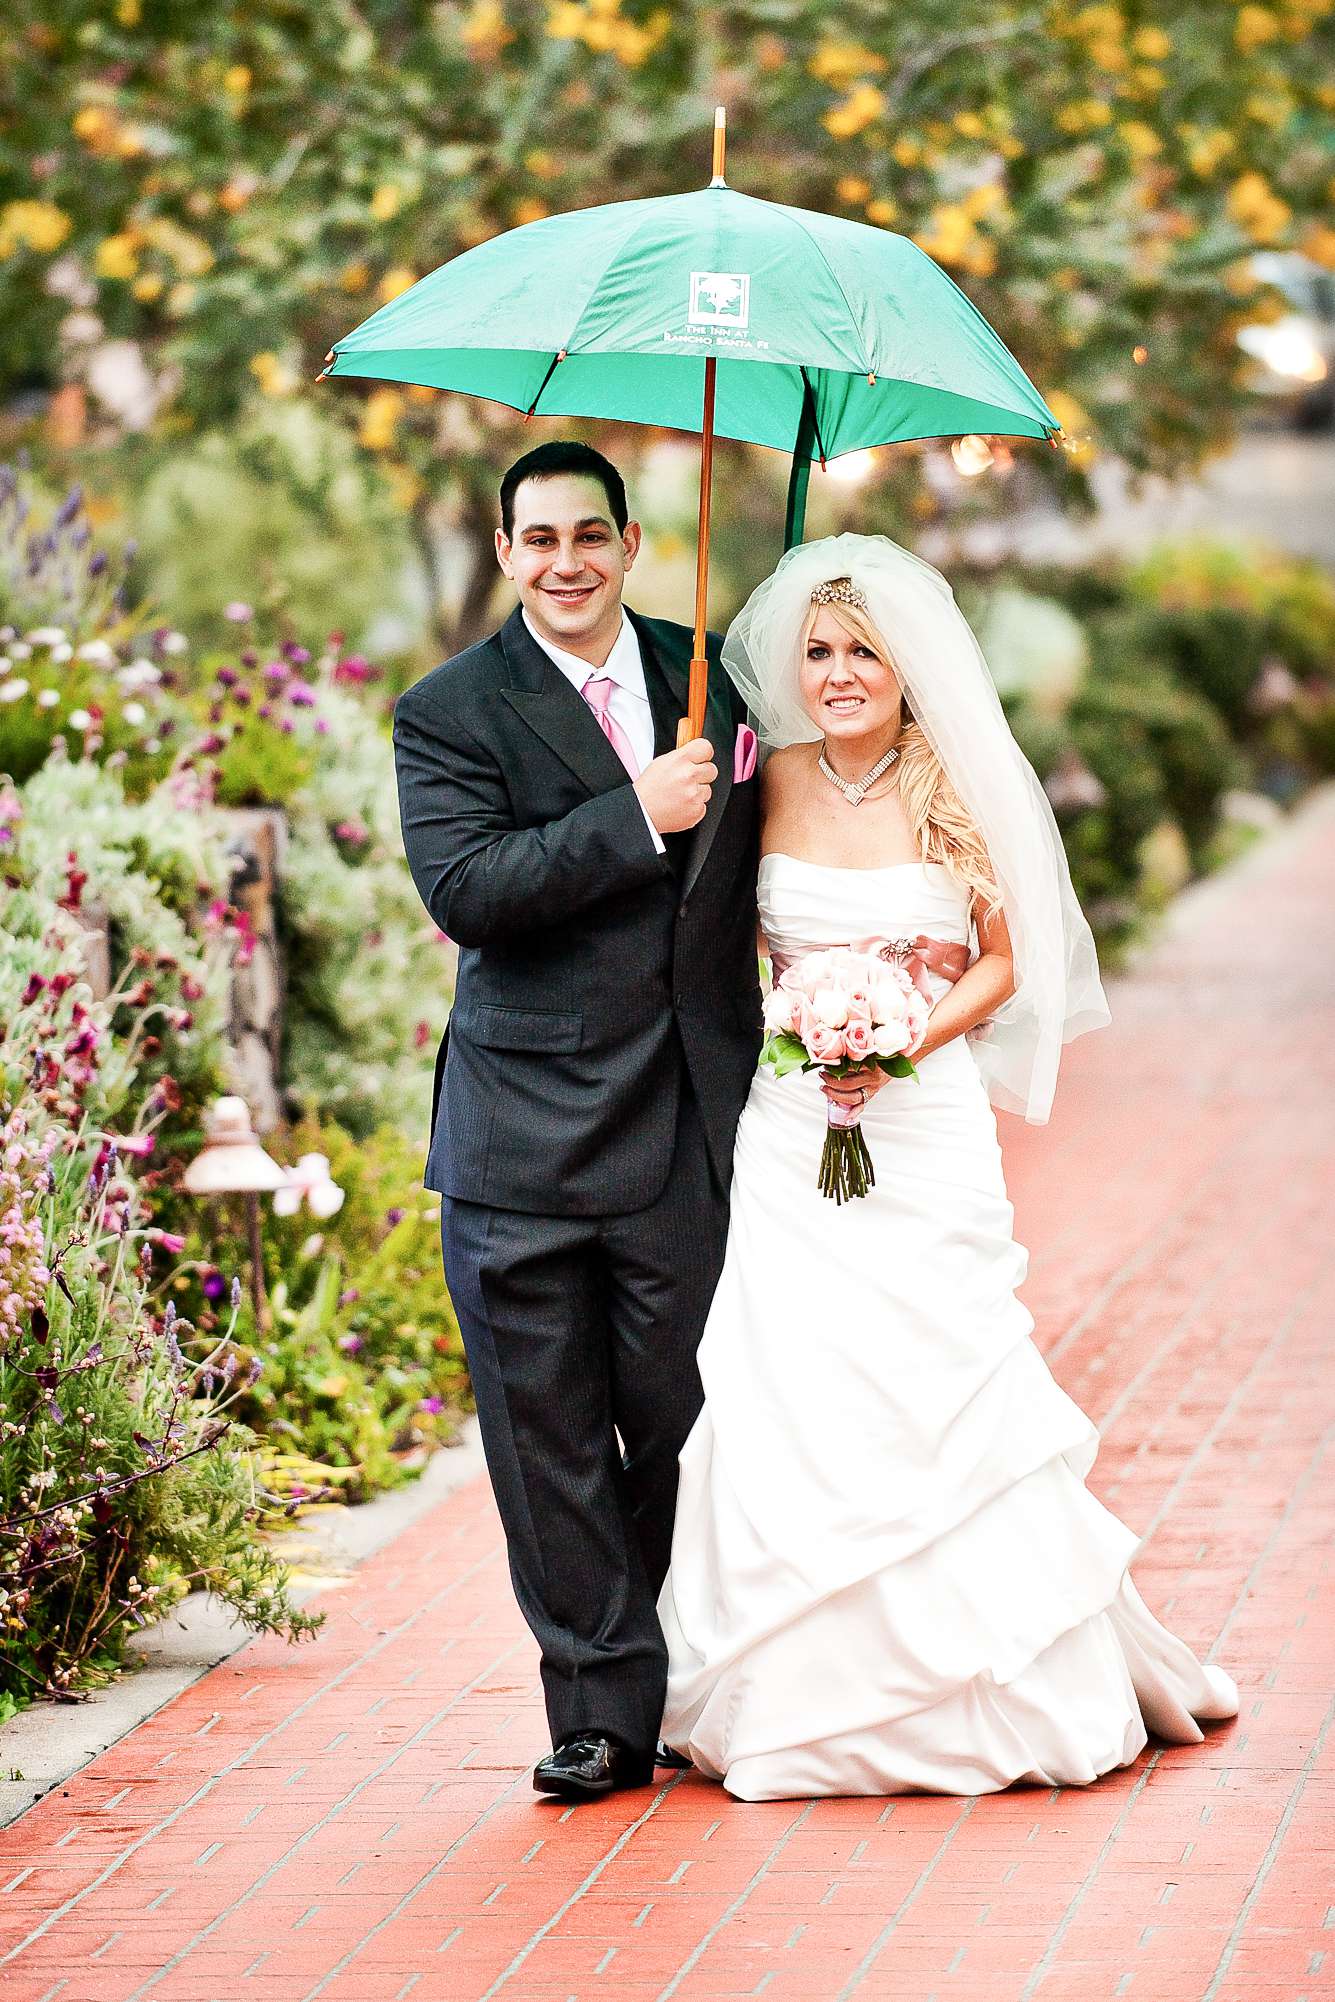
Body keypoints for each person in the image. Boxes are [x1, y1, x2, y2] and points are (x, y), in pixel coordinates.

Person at [658, 533, 1239, 1801]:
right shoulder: (763, 780)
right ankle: (790, 1693)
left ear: (910, 666)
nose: (840, 672)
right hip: (791, 1129)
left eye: (864, 650)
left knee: (943, 1380)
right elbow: (711, 941)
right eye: (818, 651)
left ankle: (997, 1684)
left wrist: (897, 1041)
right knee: (786, 1380)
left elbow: (1006, 954)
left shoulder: (954, 786)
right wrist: (810, 1040)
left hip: (920, 1131)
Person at [392, 441, 762, 1800]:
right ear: (503, 552)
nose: (564, 562)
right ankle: (598, 1711)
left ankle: (681, 1677)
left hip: (682, 1118)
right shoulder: (448, 709)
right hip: (519, 1134)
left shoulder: (715, 675)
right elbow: (469, 890)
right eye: (536, 538)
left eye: (587, 536)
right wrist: (633, 813)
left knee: (682, 1420)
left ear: (631, 542)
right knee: (544, 1437)